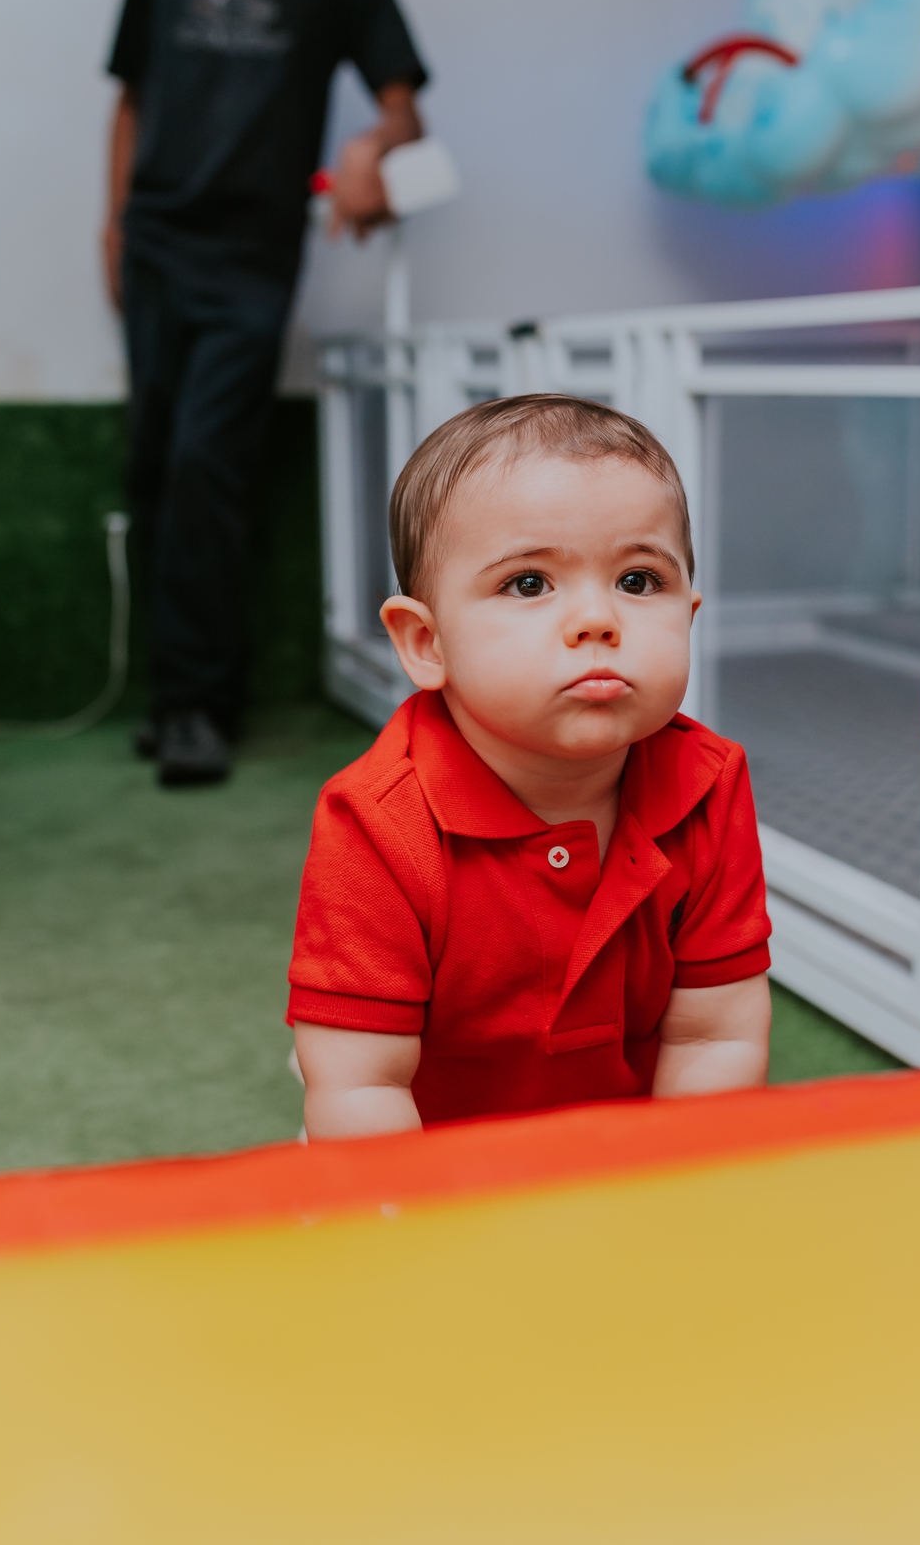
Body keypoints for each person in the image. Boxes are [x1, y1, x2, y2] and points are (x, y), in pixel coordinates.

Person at [288, 395, 773, 1133]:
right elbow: (364, 1093)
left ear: (690, 614)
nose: (597, 621)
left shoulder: (707, 782)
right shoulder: (378, 823)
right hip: (445, 1167)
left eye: (639, 581)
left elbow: (715, 1034)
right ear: (426, 642)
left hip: (622, 1160)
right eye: (528, 583)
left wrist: (679, 1196)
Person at [104, 0, 427, 785]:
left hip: (252, 257)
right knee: (156, 461)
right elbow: (132, 100)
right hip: (154, 242)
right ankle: (178, 692)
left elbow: (399, 103)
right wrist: (113, 227)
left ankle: (199, 702)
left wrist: (373, 154)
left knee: (210, 463)